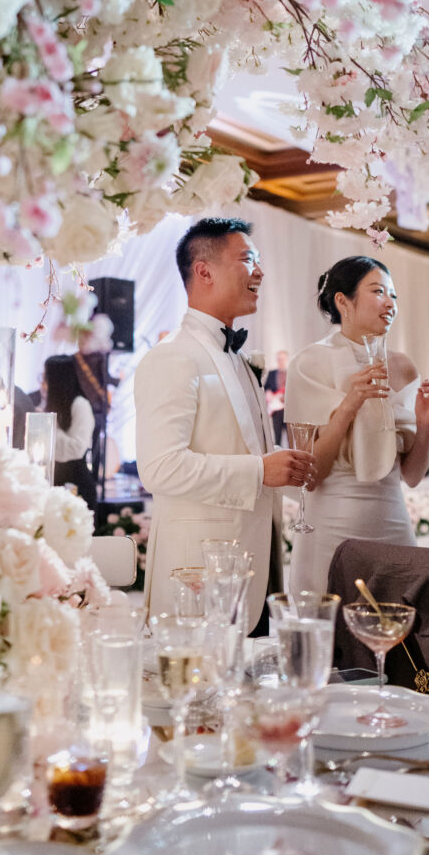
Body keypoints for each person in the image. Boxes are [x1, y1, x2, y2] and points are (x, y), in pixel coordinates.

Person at [134, 217, 315, 632]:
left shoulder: (239, 360)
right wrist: (259, 471)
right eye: (247, 259)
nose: (260, 272)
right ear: (204, 271)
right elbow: (160, 468)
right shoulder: (173, 357)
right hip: (198, 577)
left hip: (256, 571)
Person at [284, 256, 429, 595]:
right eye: (378, 292)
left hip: (394, 520)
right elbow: (311, 475)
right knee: (334, 634)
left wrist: (426, 425)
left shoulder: (403, 367)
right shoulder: (309, 363)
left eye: (394, 296)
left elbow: (412, 476)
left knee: (399, 625)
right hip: (332, 526)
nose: (390, 304)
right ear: (343, 301)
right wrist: (349, 404)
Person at [43, 354, 97, 508]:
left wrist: (49, 426)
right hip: (55, 478)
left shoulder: (80, 404)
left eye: (45, 376)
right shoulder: (52, 404)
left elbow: (77, 448)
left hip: (76, 480)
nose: (43, 382)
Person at [73, 331, 112, 498]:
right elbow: (107, 380)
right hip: (96, 408)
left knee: (81, 442)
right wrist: (120, 379)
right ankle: (94, 477)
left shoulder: (75, 360)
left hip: (81, 407)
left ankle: (82, 474)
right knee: (95, 443)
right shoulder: (99, 358)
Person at [264, 349, 288, 445]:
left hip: (288, 408)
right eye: (279, 359)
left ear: (286, 359)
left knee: (290, 436)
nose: (280, 361)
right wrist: (268, 392)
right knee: (277, 436)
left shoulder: (291, 373)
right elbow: (266, 387)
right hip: (276, 409)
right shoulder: (272, 373)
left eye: (282, 359)